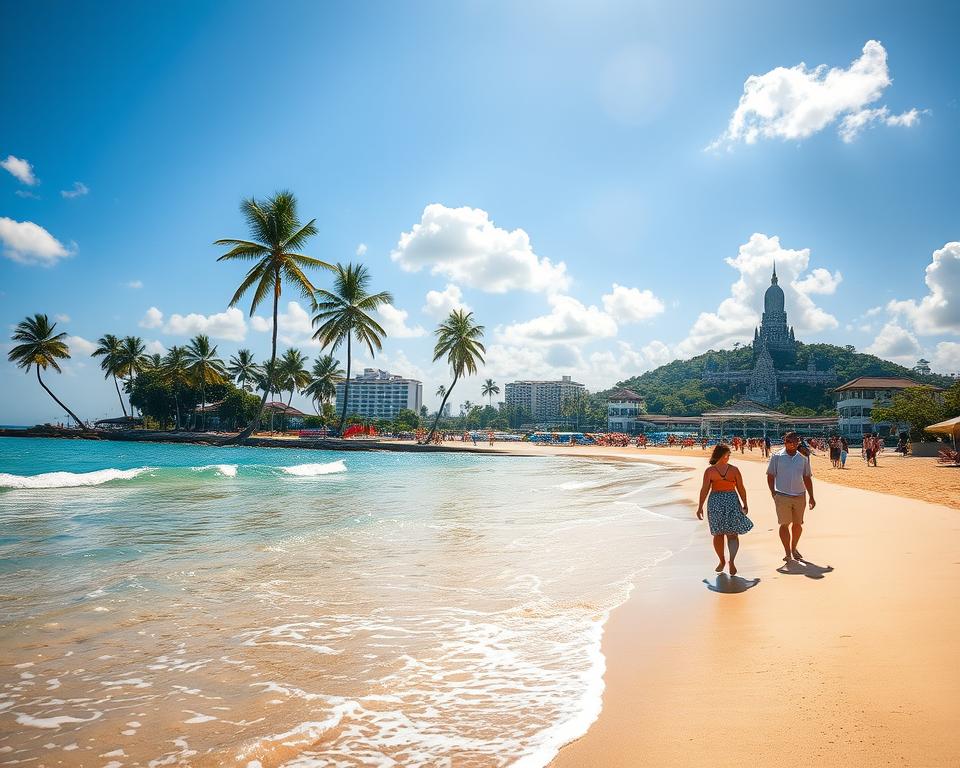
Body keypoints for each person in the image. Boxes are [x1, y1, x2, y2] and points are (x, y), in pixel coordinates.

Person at [697, 443, 753, 575]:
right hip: (731, 501)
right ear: (722, 455)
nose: (729, 457)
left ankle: (724, 561)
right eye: (728, 454)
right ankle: (729, 561)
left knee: (719, 533)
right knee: (731, 533)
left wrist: (700, 507)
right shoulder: (733, 470)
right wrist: (745, 503)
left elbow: (705, 490)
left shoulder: (710, 471)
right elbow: (741, 488)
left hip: (716, 501)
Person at [767, 431, 816, 562]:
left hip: (800, 495)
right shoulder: (777, 457)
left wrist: (811, 496)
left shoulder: (803, 458)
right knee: (784, 524)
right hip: (782, 494)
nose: (793, 444)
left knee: (798, 524)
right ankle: (787, 552)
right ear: (785, 442)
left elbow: (807, 477)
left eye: (795, 441)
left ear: (798, 442)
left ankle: (794, 548)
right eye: (790, 441)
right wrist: (773, 492)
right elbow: (770, 475)